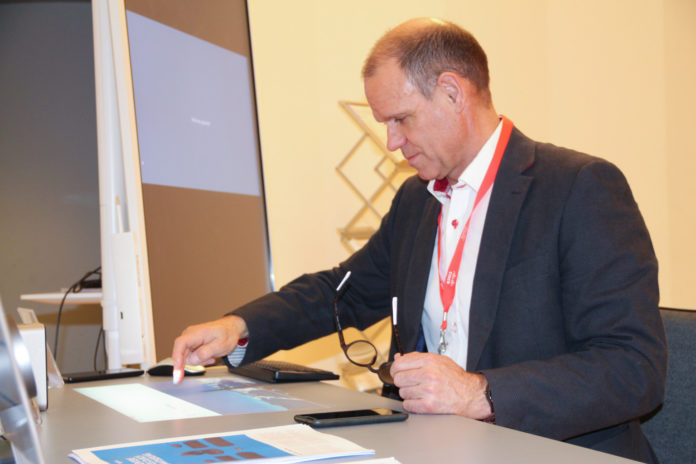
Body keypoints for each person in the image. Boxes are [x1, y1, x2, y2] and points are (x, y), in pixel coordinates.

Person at [172, 18, 666, 462]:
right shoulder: (417, 199)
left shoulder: (577, 187)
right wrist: (239, 327)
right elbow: (341, 292)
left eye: (400, 119)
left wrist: (479, 392)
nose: (391, 142)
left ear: (452, 92)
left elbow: (633, 367)